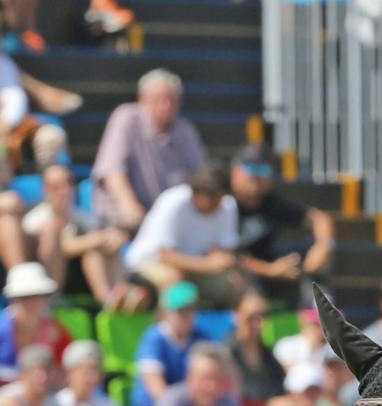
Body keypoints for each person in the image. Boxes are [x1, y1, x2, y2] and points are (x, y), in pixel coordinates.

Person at [92, 69, 207, 232]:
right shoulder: (126, 118)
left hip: (169, 224)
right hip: (123, 221)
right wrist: (129, 206)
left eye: (172, 100)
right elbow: (112, 171)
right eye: (159, 100)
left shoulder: (186, 130)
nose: (166, 106)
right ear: (142, 100)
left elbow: (200, 177)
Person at [122, 167, 244, 303]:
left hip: (195, 270)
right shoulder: (173, 201)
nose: (213, 203)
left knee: (234, 283)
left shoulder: (227, 205)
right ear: (196, 192)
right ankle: (168, 322)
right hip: (146, 264)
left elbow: (222, 250)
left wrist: (221, 259)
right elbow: (165, 256)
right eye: (209, 197)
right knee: (174, 281)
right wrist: (209, 264)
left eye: (218, 198)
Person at [22, 163, 131, 309]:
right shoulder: (34, 220)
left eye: (69, 183)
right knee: (63, 236)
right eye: (56, 187)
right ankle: (52, 299)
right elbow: (63, 248)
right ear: (45, 190)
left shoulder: (81, 216)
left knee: (97, 251)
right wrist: (96, 239)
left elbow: (101, 238)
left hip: (81, 279)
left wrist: (113, 239)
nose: (64, 191)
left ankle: (116, 299)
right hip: (47, 278)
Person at [231, 145, 333, 284]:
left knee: (310, 254)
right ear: (234, 173)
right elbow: (226, 256)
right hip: (236, 275)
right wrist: (269, 270)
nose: (256, 176)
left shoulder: (272, 203)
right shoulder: (223, 204)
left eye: (263, 170)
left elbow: (319, 218)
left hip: (271, 268)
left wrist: (322, 247)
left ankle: (317, 301)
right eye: (250, 168)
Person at [132, 282, 207, 406]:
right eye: (181, 311)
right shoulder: (153, 339)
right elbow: (155, 386)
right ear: (166, 312)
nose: (187, 316)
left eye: (191, 310)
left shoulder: (201, 338)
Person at [0, 261, 69, 379]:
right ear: (12, 299)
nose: (31, 303)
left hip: (45, 394)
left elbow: (68, 370)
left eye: (38, 295)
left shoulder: (56, 330)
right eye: (24, 297)